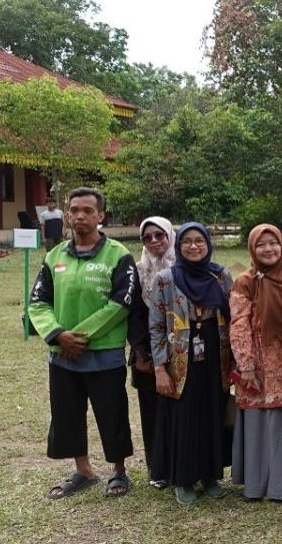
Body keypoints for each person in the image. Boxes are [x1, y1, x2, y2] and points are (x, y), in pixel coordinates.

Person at [29, 187, 136, 500]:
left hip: (104, 354)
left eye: (88, 210)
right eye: (74, 210)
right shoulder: (54, 256)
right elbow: (37, 302)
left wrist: (78, 337)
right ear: (67, 214)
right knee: (68, 413)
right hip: (62, 355)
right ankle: (84, 470)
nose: (80, 216)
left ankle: (118, 471)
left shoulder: (118, 255)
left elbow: (121, 304)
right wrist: (57, 334)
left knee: (111, 412)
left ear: (100, 215)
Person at [149, 222, 234, 504]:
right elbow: (157, 326)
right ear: (178, 245)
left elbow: (233, 319)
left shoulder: (221, 276)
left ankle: (210, 475)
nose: (194, 246)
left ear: (209, 244)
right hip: (180, 355)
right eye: (187, 241)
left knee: (212, 411)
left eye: (200, 240)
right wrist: (159, 367)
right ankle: (183, 478)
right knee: (183, 415)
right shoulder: (165, 279)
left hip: (215, 350)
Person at [229, 224, 282, 503]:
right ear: (252, 249)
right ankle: (259, 483)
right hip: (258, 363)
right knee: (260, 422)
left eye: (273, 243)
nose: (268, 249)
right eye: (261, 244)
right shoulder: (245, 281)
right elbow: (238, 324)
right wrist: (246, 364)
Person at [127, 216, 175, 487]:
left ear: (170, 236)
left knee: (180, 411)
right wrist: (142, 351)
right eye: (148, 237)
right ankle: (158, 470)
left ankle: (181, 464)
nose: (155, 241)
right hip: (147, 355)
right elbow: (132, 314)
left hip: (183, 352)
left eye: (160, 235)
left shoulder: (185, 266)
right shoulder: (138, 271)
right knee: (152, 412)